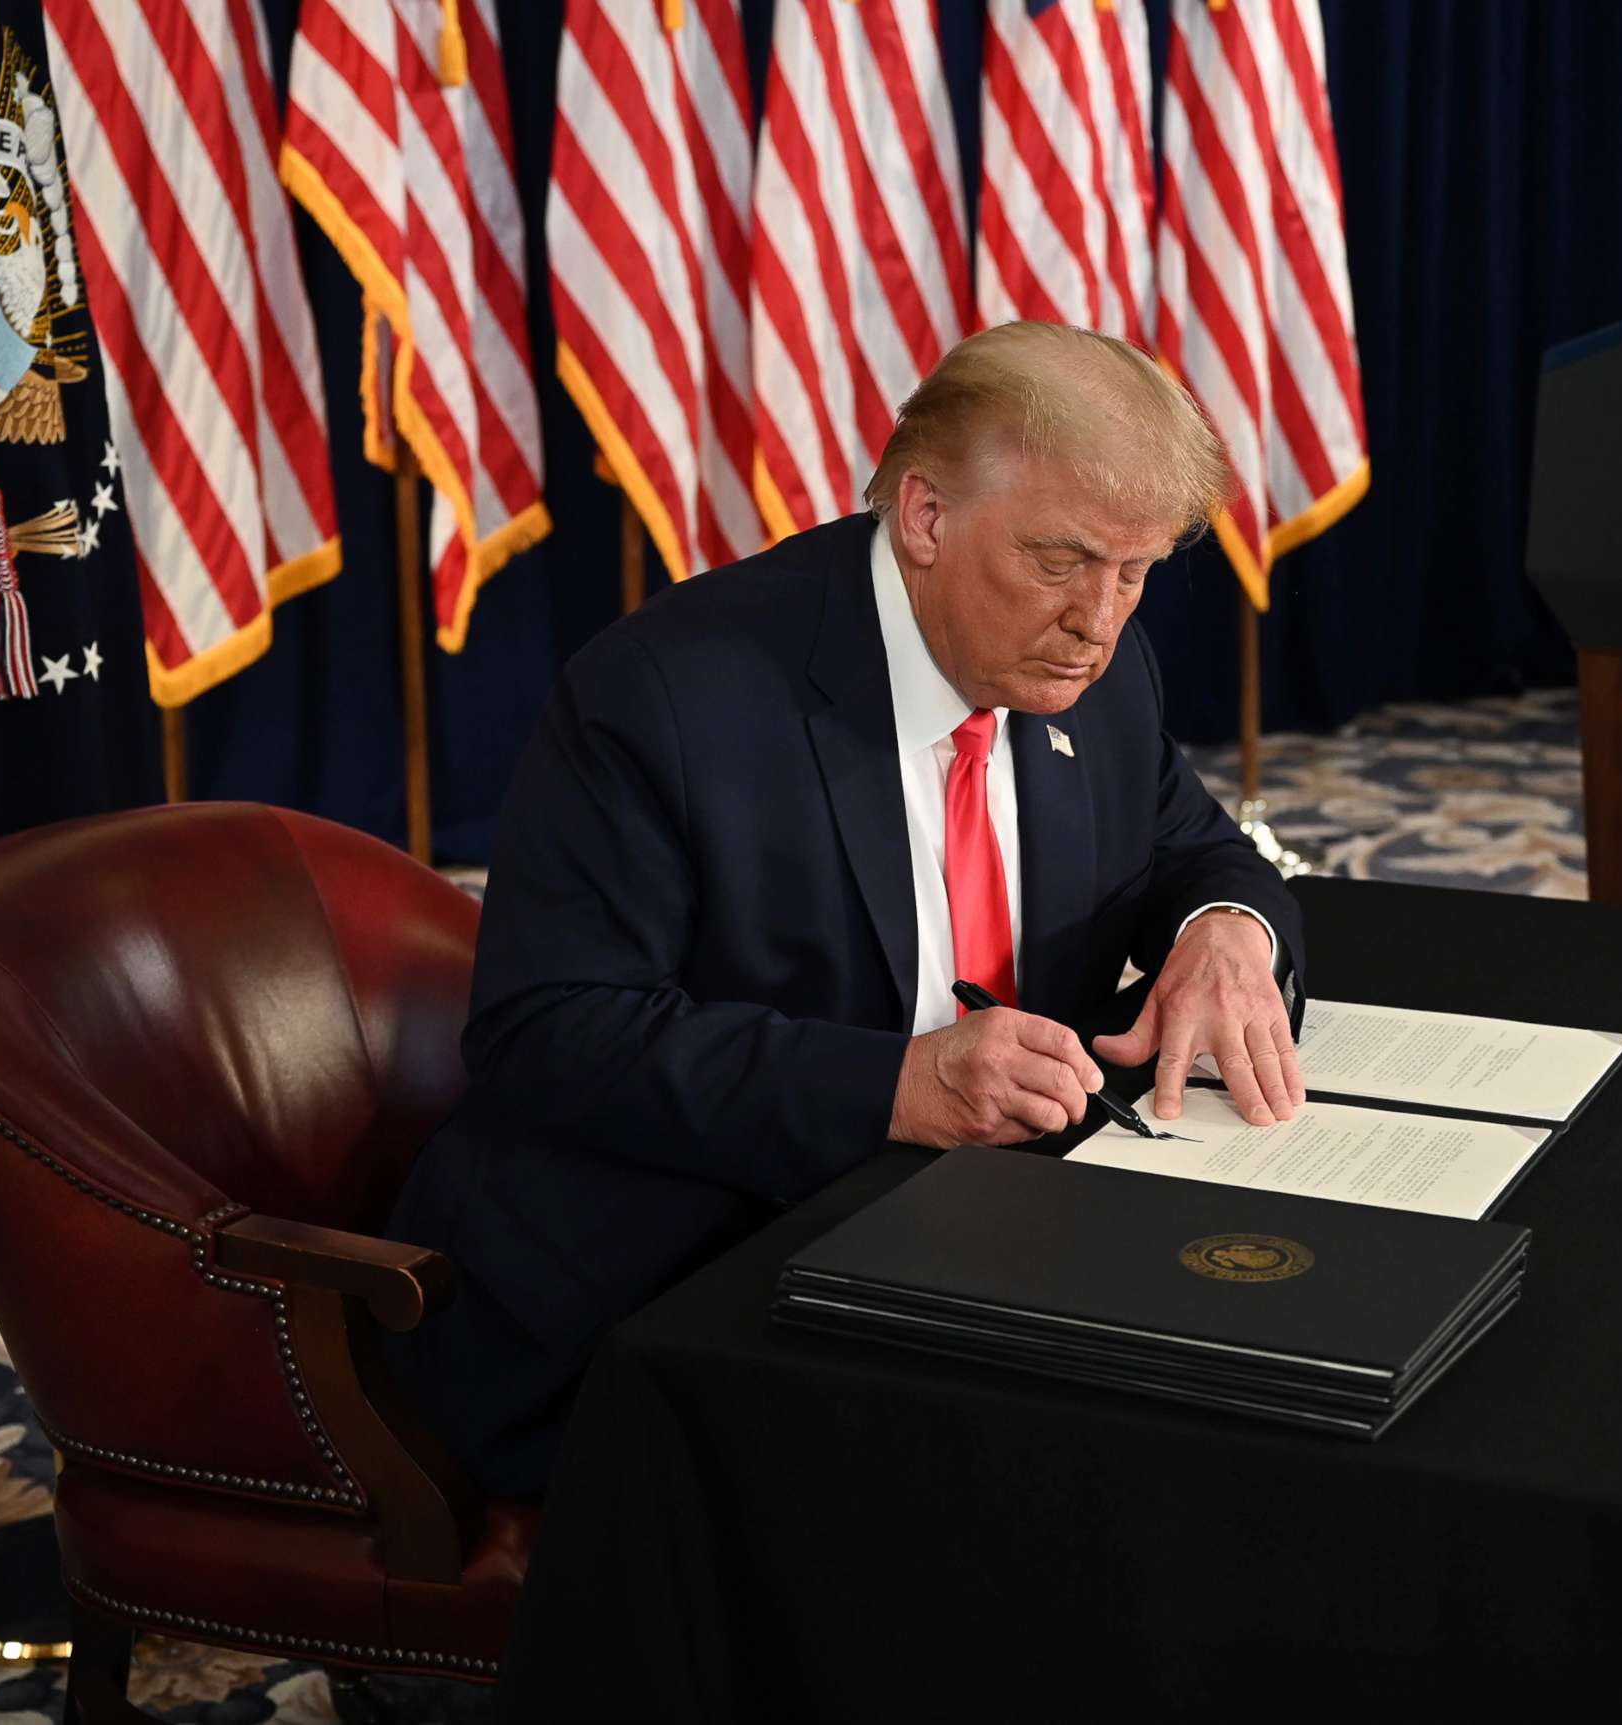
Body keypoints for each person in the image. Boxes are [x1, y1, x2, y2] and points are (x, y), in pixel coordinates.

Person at [385, 322, 1307, 1494]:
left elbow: (1190, 850)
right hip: (687, 1272)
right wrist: (898, 1085)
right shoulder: (668, 696)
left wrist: (1225, 932)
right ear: (924, 516)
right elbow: (549, 1034)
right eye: (1063, 561)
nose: (1102, 620)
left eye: (1137, 573)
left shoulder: (1096, 667)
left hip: (983, 1240)